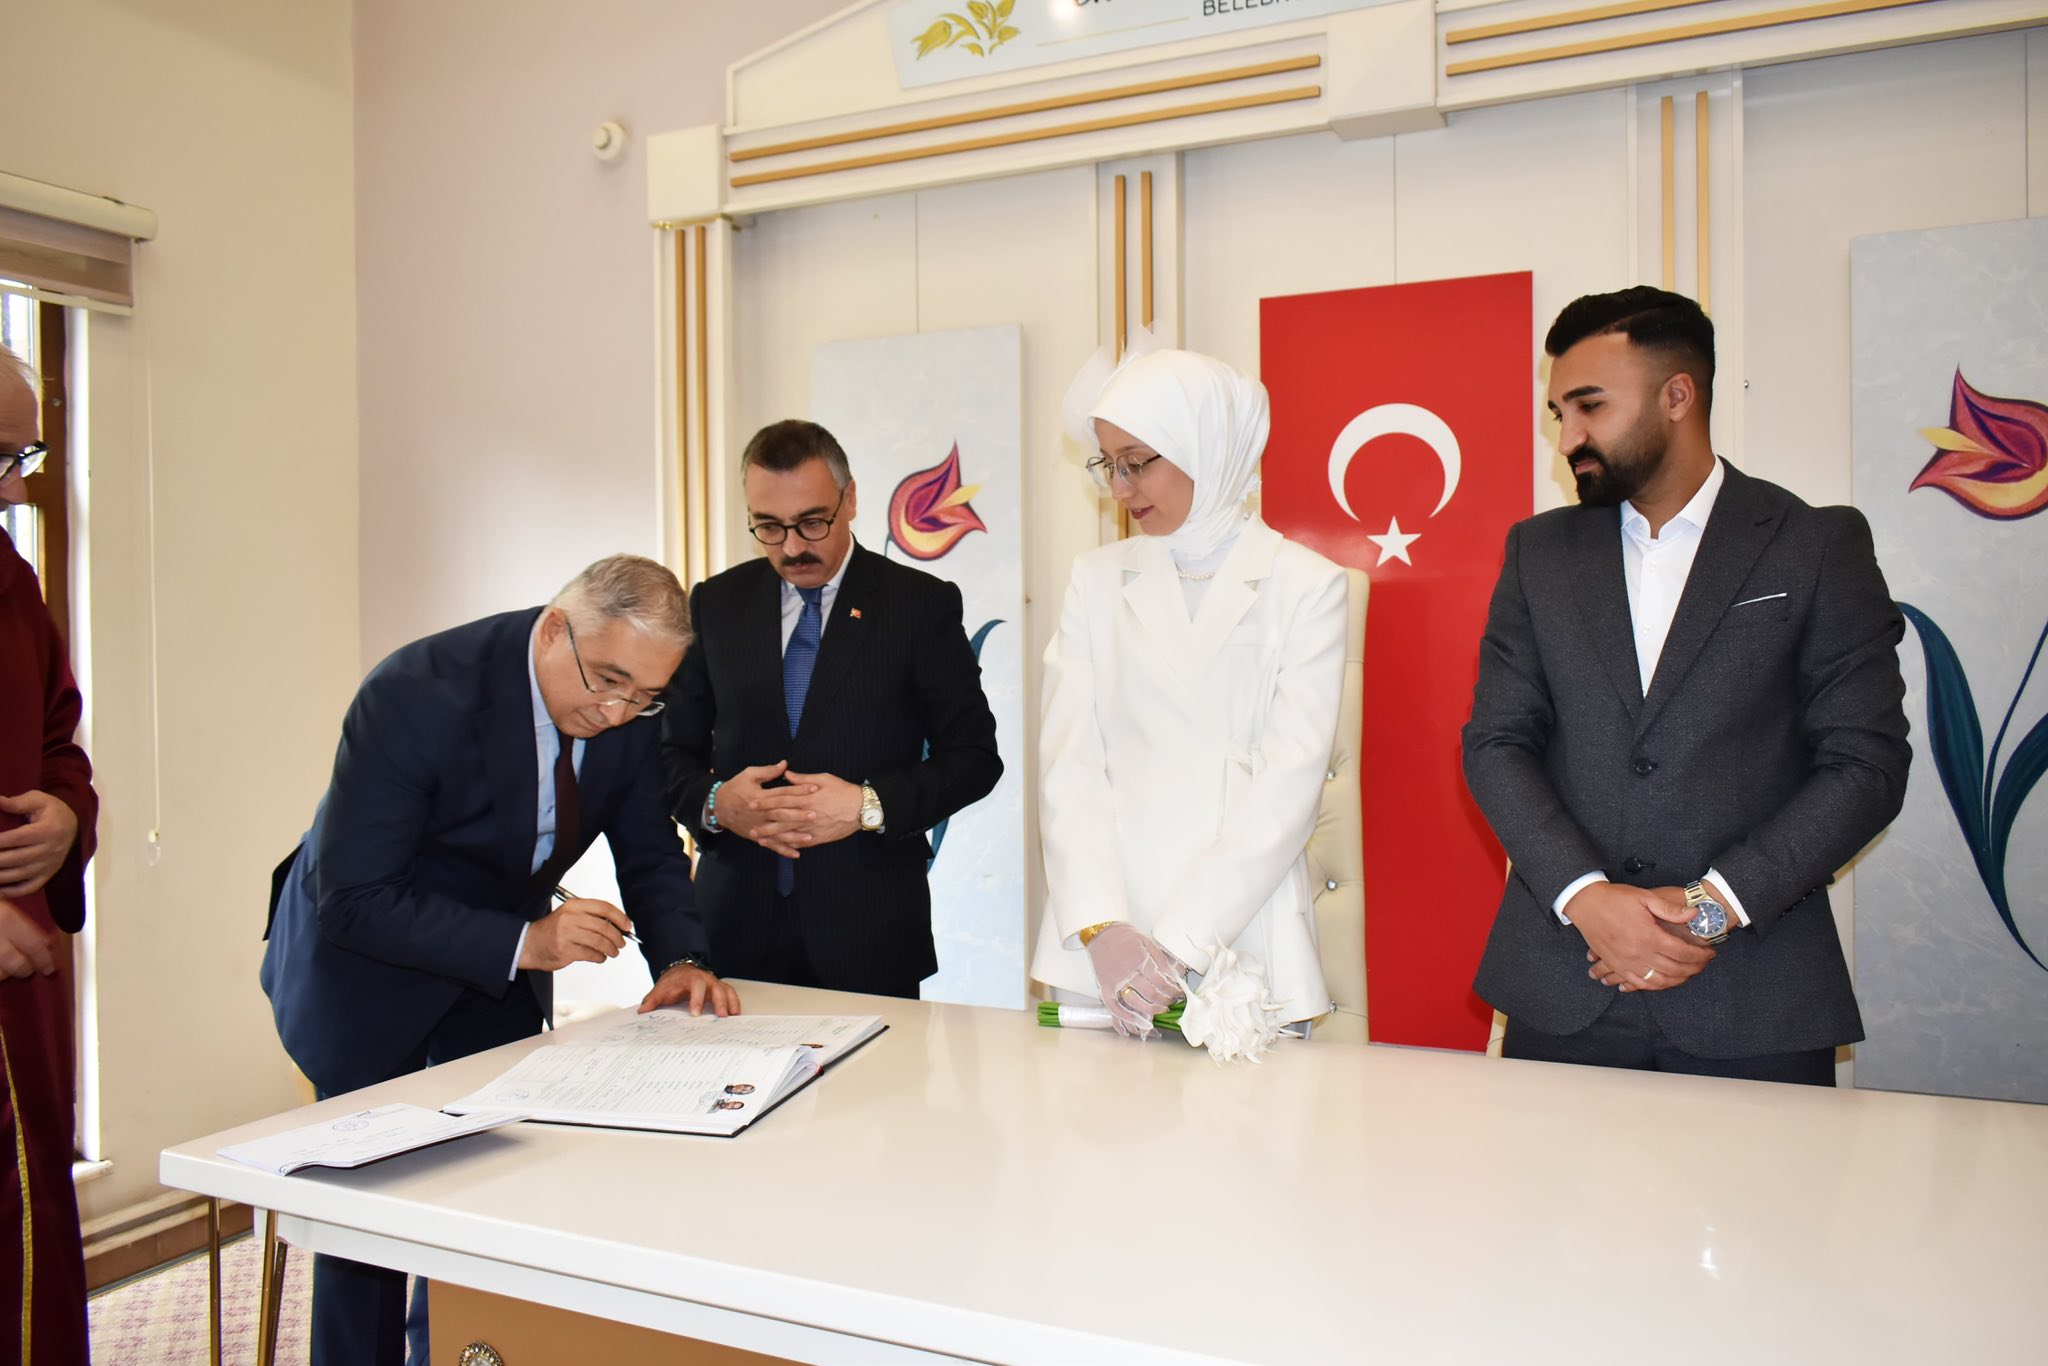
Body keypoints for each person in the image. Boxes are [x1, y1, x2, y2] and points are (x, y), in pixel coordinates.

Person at [261, 553, 737, 1366]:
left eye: (645, 696)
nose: (619, 711)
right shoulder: (415, 694)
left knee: (488, 1197)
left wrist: (682, 958)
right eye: (608, 682)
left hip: (492, 975)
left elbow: (650, 848)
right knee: (367, 1228)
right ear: (554, 631)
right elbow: (355, 899)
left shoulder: (629, 704)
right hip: (363, 973)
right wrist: (529, 943)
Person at [1463, 286, 1911, 1086]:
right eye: (1559, 412)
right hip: (1565, 985)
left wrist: (1706, 912)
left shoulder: (1814, 544)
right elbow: (1497, 743)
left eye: (1589, 406)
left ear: (1678, 396)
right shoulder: (1538, 553)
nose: (1567, 437)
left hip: (1755, 995)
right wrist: (1587, 899)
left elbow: (1865, 764)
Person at [1031, 349, 1347, 1036]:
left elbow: (1289, 783)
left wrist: (1177, 944)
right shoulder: (1095, 578)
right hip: (1106, 945)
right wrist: (1103, 928)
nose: (1120, 487)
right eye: (1108, 464)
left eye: (1137, 462)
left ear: (1207, 445)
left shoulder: (1306, 584)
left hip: (1241, 934)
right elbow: (1069, 765)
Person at [660, 419, 1003, 1000]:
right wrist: (718, 804)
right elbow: (669, 755)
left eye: (812, 522)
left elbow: (974, 759)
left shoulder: (919, 606)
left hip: (870, 936)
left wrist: (866, 805)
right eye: (769, 527)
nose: (793, 547)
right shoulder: (715, 604)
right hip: (733, 934)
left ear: (851, 500)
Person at [0, 351, 94, 1365]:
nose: (20, 490)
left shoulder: (10, 578)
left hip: (18, 986)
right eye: (1, 459)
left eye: (23, 457)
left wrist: (67, 815)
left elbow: (59, 741)